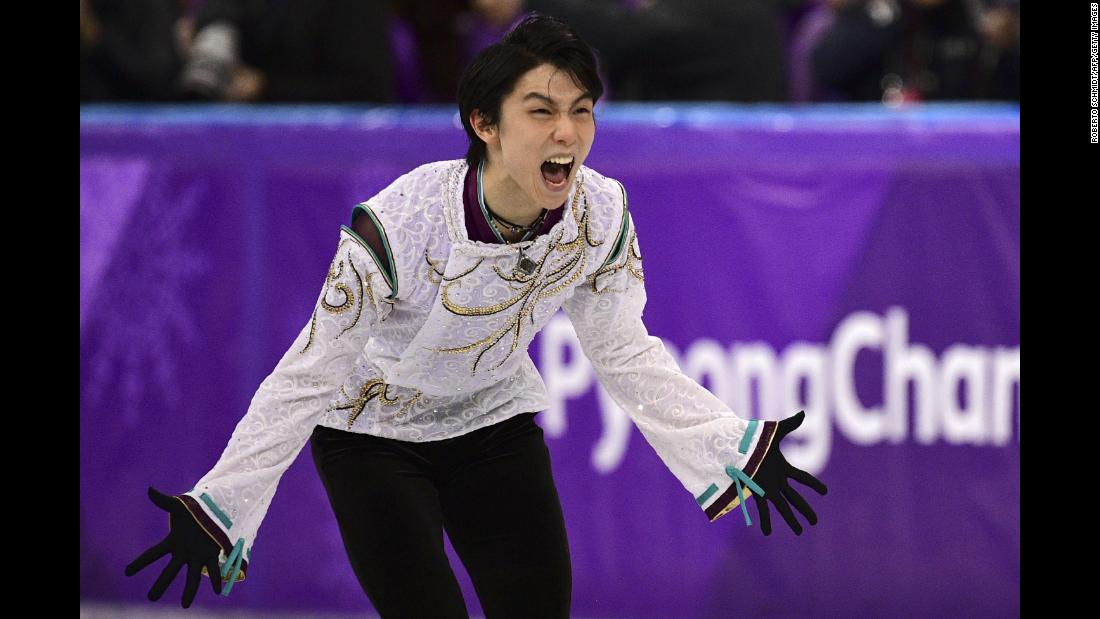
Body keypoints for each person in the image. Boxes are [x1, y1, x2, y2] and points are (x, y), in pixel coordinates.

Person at [125, 14, 828, 617]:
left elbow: (623, 350)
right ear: (485, 123)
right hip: (370, 436)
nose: (569, 132)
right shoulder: (404, 222)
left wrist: (725, 442)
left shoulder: (599, 212)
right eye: (542, 110)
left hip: (492, 425)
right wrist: (223, 501)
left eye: (582, 109)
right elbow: (309, 374)